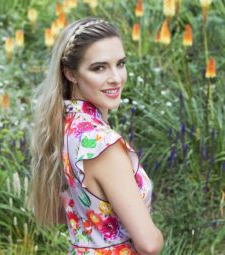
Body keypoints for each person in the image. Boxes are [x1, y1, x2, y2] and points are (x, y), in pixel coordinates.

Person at [29, 17, 163, 255]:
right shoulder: (103, 146)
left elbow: (57, 210)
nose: (116, 78)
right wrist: (156, 234)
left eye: (120, 64)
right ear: (70, 73)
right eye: (99, 67)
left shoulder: (64, 125)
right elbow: (149, 245)